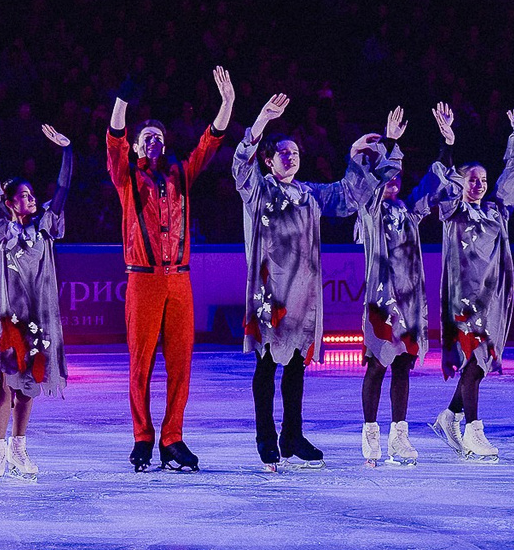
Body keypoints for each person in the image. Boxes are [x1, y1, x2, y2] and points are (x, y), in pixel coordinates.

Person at [107, 67, 237, 471]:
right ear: (138, 145)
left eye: (159, 137)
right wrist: (122, 103)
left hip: (179, 280)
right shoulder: (127, 175)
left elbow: (209, 143)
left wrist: (227, 103)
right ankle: (143, 437)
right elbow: (114, 140)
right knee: (140, 363)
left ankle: (173, 437)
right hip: (143, 280)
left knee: (181, 362)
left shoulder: (181, 173)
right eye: (147, 137)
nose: (154, 141)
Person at [231, 91, 364, 469]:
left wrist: (354, 158)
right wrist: (260, 121)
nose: (291, 157)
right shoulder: (259, 191)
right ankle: (266, 436)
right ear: (269, 160)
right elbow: (241, 168)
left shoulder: (310, 194)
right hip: (271, 291)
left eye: (296, 153)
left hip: (305, 293)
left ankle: (293, 434)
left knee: (295, 367)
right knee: (268, 363)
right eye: (283, 153)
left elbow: (347, 196)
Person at [431, 105, 514, 462]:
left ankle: (449, 416)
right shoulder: (452, 210)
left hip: (494, 299)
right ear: (461, 183)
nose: (479, 184)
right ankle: (473, 430)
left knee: (480, 363)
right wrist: (447, 143)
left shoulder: (497, 210)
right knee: (473, 360)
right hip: (463, 301)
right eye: (472, 179)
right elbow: (443, 181)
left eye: (483, 179)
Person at [0, 119, 74, 482]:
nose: (32, 198)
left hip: (37, 318)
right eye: (25, 195)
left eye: (33, 195)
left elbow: (62, 190)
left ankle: (18, 446)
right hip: (6, 319)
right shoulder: (0, 228)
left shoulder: (45, 226)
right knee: (3, 384)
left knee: (28, 385)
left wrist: (67, 151)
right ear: (9, 199)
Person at [344, 107, 440, 466]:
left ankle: (399, 434)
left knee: (402, 366)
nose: (394, 179)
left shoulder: (408, 209)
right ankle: (370, 433)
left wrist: (447, 145)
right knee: (377, 365)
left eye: (397, 174)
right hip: (382, 301)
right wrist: (391, 141)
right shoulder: (369, 208)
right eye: (386, 174)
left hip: (411, 300)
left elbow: (433, 186)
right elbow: (371, 183)